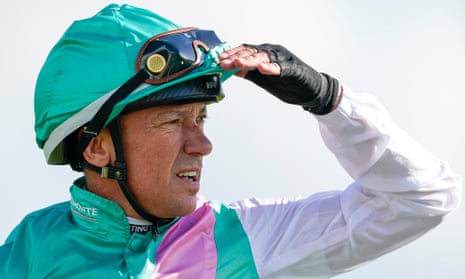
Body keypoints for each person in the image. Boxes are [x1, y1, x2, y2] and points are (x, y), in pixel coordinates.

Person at [0, 3, 461, 278]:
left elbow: (421, 200)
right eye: (172, 121)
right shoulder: (28, 250)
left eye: (201, 118)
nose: (201, 144)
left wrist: (330, 100)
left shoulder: (242, 236)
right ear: (97, 146)